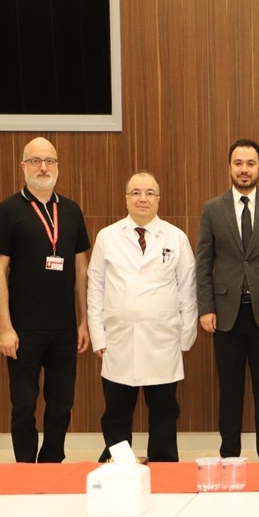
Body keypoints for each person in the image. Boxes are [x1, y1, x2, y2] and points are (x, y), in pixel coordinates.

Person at [0, 137, 91, 463]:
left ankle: (50, 464)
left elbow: (81, 270)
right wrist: (5, 327)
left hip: (64, 330)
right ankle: (25, 469)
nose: (43, 167)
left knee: (62, 402)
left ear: (58, 166)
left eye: (49, 161)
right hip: (23, 329)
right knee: (24, 403)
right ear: (23, 166)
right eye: (35, 161)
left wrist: (84, 320)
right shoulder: (8, 211)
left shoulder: (72, 211)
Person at [86, 171, 197, 462]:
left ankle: (164, 468)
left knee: (163, 411)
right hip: (118, 340)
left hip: (163, 340)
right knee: (116, 413)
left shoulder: (176, 237)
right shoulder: (107, 237)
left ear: (159, 199)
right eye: (136, 192)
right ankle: (117, 467)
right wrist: (98, 335)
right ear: (126, 199)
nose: (143, 198)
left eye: (149, 193)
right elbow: (95, 288)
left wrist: (185, 338)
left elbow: (189, 289)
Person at [196, 139, 259, 462]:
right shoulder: (213, 209)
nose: (244, 169)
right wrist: (206, 307)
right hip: (225, 315)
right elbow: (203, 262)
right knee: (230, 393)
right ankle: (229, 458)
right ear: (229, 167)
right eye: (238, 163)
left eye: (250, 163)